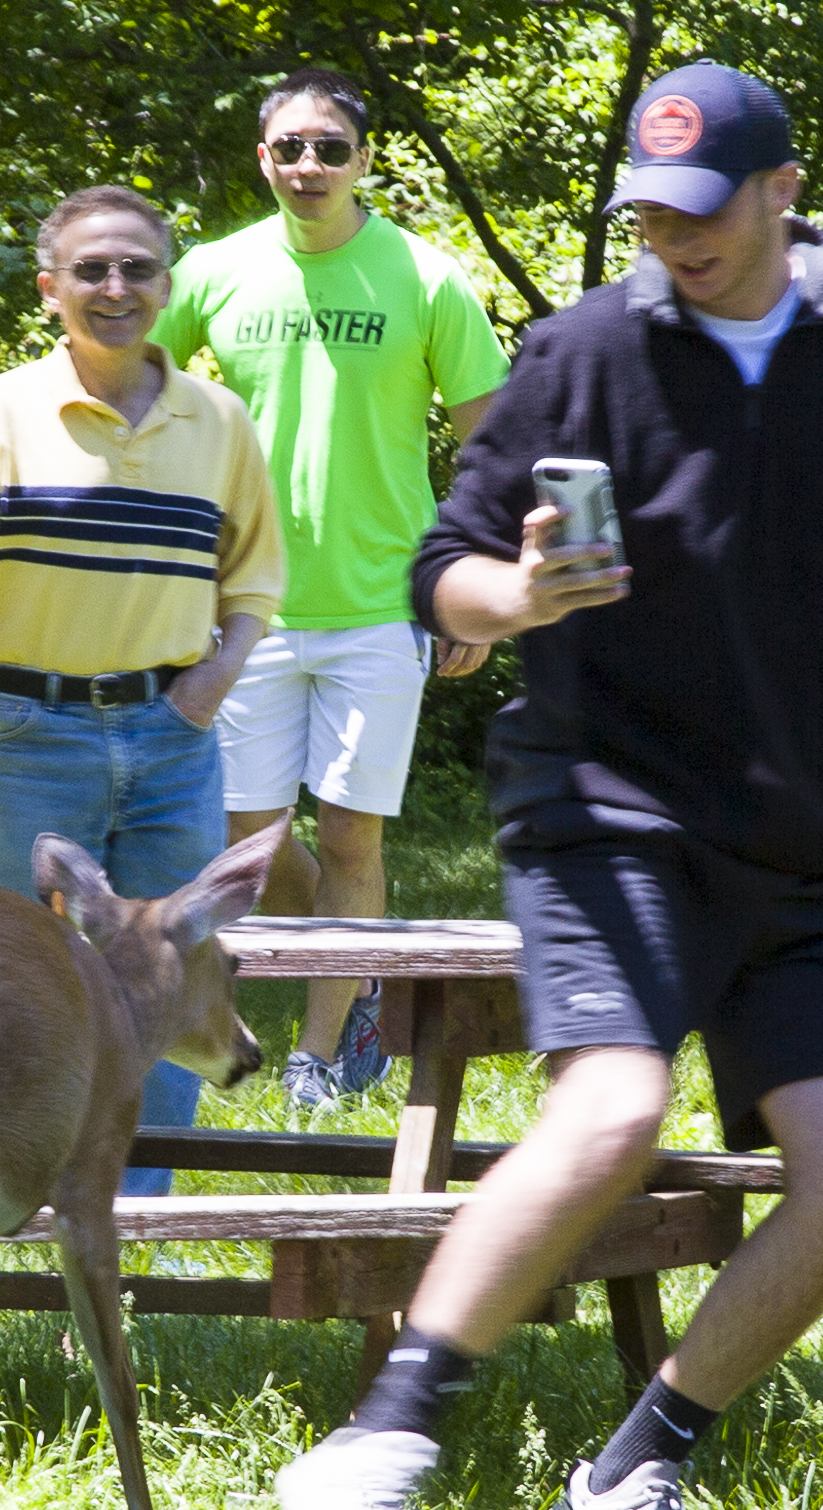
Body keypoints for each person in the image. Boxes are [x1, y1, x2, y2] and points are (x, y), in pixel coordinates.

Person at [271, 62, 823, 1510]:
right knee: (610, 1111)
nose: (671, 234)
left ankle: (625, 1481)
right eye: (646, 209)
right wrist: (513, 595)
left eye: (699, 208)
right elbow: (438, 564)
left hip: (806, 836)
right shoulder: (584, 348)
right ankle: (375, 1443)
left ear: (782, 192)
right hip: (606, 805)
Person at [0, 185, 286, 1196]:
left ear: (166, 281)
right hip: (28, 732)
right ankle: (13, 1216)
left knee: (171, 983)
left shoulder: (218, 420)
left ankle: (128, 1236)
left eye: (138, 268)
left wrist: (211, 679)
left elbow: (257, 582)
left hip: (172, 740)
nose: (116, 288)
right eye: (92, 270)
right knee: (12, 988)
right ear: (48, 286)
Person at [153, 69, 515, 1108]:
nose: (308, 165)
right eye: (289, 148)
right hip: (244, 606)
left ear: (364, 159)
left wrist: (471, 581)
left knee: (352, 832)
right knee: (247, 841)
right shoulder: (214, 272)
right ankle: (357, 968)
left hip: (379, 601)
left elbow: (488, 438)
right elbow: (135, 388)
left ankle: (322, 1056)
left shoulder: (423, 276)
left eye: (329, 147)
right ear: (262, 158)